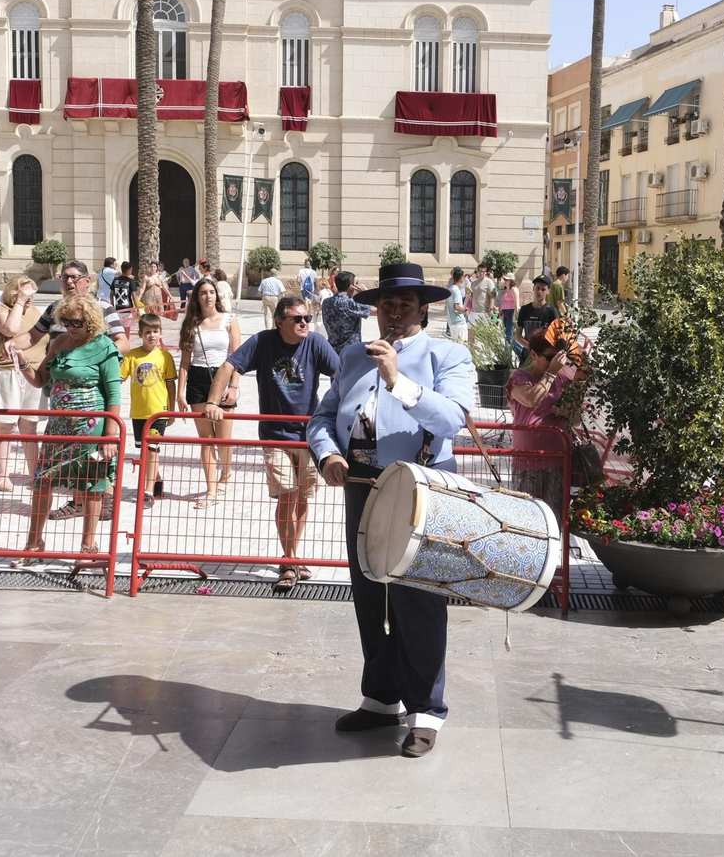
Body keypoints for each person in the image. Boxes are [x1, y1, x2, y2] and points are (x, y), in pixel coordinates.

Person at [307, 262, 475, 758]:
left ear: (424, 309)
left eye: (404, 305)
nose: (394, 314)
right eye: (386, 305)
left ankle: (425, 711)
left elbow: (454, 419)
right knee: (370, 596)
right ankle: (380, 698)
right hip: (359, 484)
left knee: (418, 599)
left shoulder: (448, 355)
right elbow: (321, 414)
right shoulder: (351, 357)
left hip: (421, 490)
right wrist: (327, 453)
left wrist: (399, 381)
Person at [206, 296, 340, 591]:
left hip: (309, 435)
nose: (304, 322)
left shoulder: (315, 343)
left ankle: (292, 555)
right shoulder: (264, 341)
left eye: (307, 317)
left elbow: (341, 373)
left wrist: (343, 411)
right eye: (297, 319)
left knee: (303, 496)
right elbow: (229, 366)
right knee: (286, 496)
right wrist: (213, 402)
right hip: (275, 435)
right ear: (280, 322)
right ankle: (289, 560)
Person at [15, 295, 123, 564]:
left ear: (91, 321)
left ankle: (87, 547)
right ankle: (34, 542)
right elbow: (40, 380)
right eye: (65, 321)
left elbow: (114, 395)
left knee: (91, 485)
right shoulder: (60, 342)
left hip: (91, 427)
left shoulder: (105, 347)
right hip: (58, 426)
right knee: (43, 482)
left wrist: (110, 436)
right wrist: (22, 360)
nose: (70, 327)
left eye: (76, 322)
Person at [178, 277, 241, 507]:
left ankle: (226, 473)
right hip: (197, 379)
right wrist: (180, 394)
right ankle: (211, 490)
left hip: (222, 378)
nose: (208, 296)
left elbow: (238, 357)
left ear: (217, 294)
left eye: (211, 292)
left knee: (223, 439)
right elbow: (185, 362)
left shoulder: (230, 320)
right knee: (206, 440)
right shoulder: (191, 324)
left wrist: (234, 386)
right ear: (197, 297)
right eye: (203, 292)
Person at [0, 275, 47, 492]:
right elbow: (10, 330)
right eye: (26, 293)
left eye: (32, 294)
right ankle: (2, 475)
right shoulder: (3, 308)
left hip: (33, 371)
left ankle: (34, 474)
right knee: (6, 424)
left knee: (30, 424)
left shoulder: (36, 312)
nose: (30, 298)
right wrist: (19, 302)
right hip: (8, 372)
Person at [507, 330, 574, 512]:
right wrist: (551, 372)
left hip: (557, 460)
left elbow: (576, 419)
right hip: (527, 462)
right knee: (528, 519)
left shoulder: (562, 379)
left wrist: (564, 410)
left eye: (558, 357)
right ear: (533, 354)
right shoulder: (519, 378)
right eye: (550, 357)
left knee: (555, 519)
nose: (555, 362)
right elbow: (531, 399)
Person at [121, 312, 177, 507]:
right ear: (140, 334)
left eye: (155, 331)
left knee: (152, 451)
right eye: (147, 332)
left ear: (161, 333)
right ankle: (156, 479)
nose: (152, 335)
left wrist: (171, 409)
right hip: (138, 412)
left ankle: (147, 492)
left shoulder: (165, 356)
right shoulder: (132, 356)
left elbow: (170, 384)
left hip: (158, 413)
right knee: (145, 452)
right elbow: (119, 378)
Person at [321, 270, 374, 348]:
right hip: (350, 351)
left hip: (332, 350)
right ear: (351, 286)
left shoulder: (326, 302)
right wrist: (367, 294)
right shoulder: (350, 303)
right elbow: (379, 310)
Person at [515, 276, 558, 349]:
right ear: (533, 288)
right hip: (527, 355)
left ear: (548, 291)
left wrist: (541, 351)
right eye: (537, 288)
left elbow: (556, 336)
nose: (539, 292)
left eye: (543, 289)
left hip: (543, 357)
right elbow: (518, 335)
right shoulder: (524, 309)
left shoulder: (551, 311)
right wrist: (531, 347)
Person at [445, 267, 470, 342]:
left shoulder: (450, 289)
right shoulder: (456, 291)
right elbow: (456, 307)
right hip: (459, 322)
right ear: (461, 277)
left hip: (452, 322)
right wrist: (465, 309)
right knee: (462, 344)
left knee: (455, 344)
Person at [498, 273, 519, 352]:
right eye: (505, 279)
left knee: (509, 334)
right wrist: (500, 310)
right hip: (505, 312)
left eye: (507, 280)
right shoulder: (506, 289)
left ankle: (510, 352)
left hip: (511, 312)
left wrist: (515, 314)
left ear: (511, 281)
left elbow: (517, 302)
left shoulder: (513, 289)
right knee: (507, 333)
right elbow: (503, 301)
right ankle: (512, 350)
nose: (505, 281)